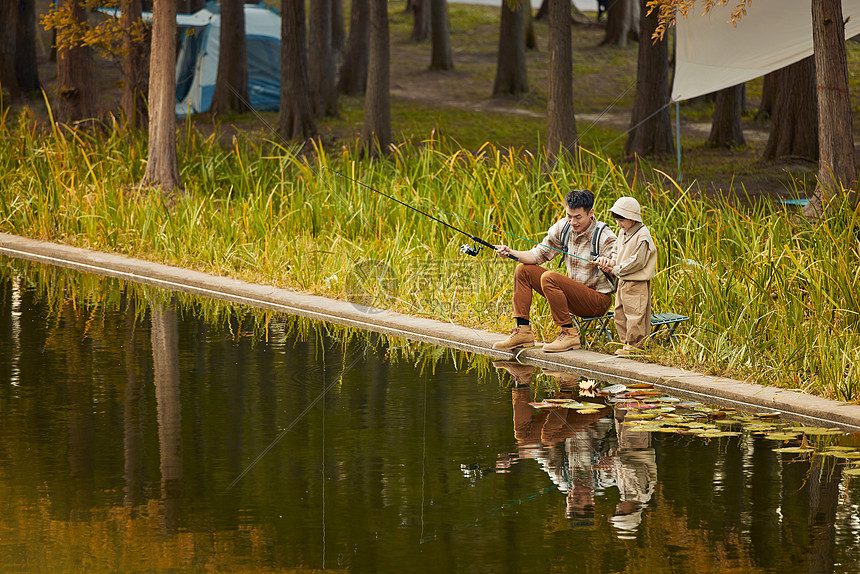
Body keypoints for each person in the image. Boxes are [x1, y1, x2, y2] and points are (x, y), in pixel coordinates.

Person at [492, 189, 617, 353]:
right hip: (572, 295)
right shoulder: (563, 228)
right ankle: (522, 332)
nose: (572, 221)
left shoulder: (604, 235)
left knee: (549, 277)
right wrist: (511, 253)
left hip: (597, 301)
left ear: (590, 213)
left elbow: (621, 265)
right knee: (523, 270)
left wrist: (610, 264)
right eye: (569, 216)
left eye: (578, 217)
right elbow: (537, 255)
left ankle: (569, 334)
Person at [596, 197, 657, 356]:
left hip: (636, 283)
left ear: (632, 218)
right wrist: (611, 262)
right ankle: (625, 344)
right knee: (620, 313)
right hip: (623, 280)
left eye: (621, 219)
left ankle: (635, 345)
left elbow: (637, 261)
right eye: (616, 219)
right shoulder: (623, 232)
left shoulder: (642, 235)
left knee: (635, 314)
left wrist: (617, 269)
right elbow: (617, 251)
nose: (618, 223)